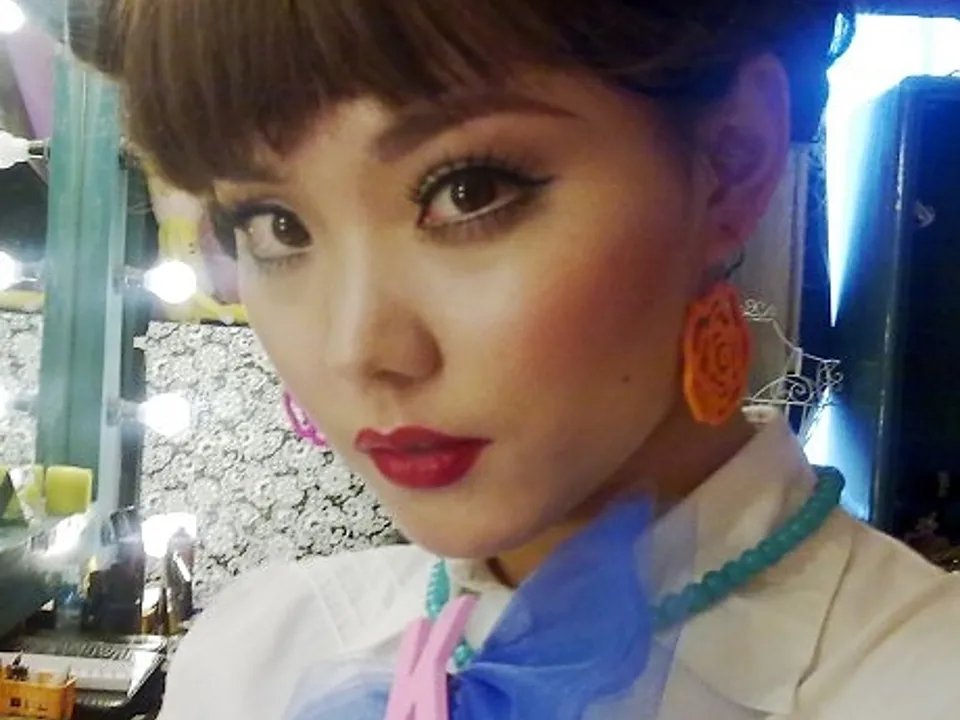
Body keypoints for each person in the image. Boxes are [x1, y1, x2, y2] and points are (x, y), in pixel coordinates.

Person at [73, 1, 960, 718]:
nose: (358, 349)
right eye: (277, 226)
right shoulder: (257, 659)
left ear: (731, 162)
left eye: (469, 191)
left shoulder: (922, 682)